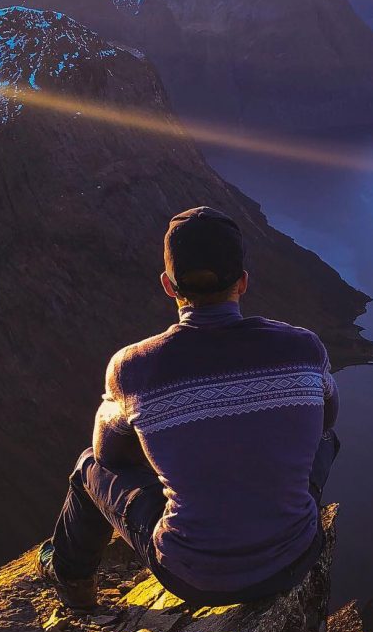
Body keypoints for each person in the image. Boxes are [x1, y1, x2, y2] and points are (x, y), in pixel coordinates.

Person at [37, 206, 340, 610]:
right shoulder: (304, 348)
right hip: (296, 555)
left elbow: (109, 455)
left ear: (167, 285)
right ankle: (281, 512)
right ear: (243, 282)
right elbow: (326, 417)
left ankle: (71, 578)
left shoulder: (132, 368)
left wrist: (183, 451)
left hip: (193, 575)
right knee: (325, 437)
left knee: (86, 465)